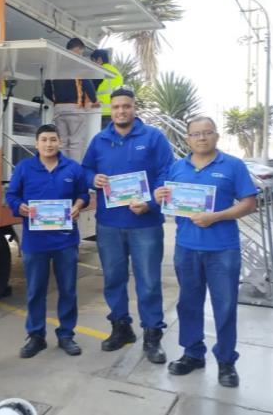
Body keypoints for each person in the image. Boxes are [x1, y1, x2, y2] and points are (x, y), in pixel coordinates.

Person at [153, 116, 257, 388]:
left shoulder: (233, 165)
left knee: (225, 306)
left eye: (207, 132)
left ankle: (226, 361)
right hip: (186, 247)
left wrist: (217, 216)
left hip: (223, 249)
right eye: (196, 134)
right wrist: (159, 196)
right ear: (187, 139)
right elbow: (168, 199)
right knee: (188, 303)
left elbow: (249, 203)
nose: (201, 138)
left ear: (216, 136)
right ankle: (193, 353)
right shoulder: (177, 168)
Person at [81, 86, 174, 363]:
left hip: (145, 223)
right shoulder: (99, 140)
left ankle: (152, 335)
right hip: (109, 224)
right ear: (111, 109)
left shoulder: (153, 137)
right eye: (117, 107)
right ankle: (121, 327)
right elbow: (85, 169)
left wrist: (150, 203)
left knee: (149, 281)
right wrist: (92, 179)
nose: (121, 111)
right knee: (113, 279)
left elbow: (167, 172)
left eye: (126, 106)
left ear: (134, 108)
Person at [6, 124, 89, 358]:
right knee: (35, 290)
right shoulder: (24, 168)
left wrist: (78, 206)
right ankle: (36, 336)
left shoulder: (72, 168)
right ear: (36, 143)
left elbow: (83, 194)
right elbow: (11, 195)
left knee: (68, 289)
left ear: (59, 142)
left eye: (53, 139)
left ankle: (66, 335)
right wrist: (19, 206)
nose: (49, 144)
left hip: (65, 240)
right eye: (44, 140)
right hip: (35, 242)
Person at [44, 37, 99, 163]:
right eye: (81, 53)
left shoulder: (55, 66)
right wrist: (94, 99)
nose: (81, 55)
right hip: (75, 108)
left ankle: (62, 168)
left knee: (62, 142)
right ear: (78, 49)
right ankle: (74, 170)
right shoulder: (77, 63)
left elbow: (46, 90)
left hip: (59, 109)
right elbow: (87, 84)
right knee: (76, 143)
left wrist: (56, 100)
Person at [90, 49, 124, 129]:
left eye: (93, 61)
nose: (92, 64)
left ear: (99, 60)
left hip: (102, 113)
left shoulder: (99, 71)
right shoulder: (117, 73)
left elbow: (90, 90)